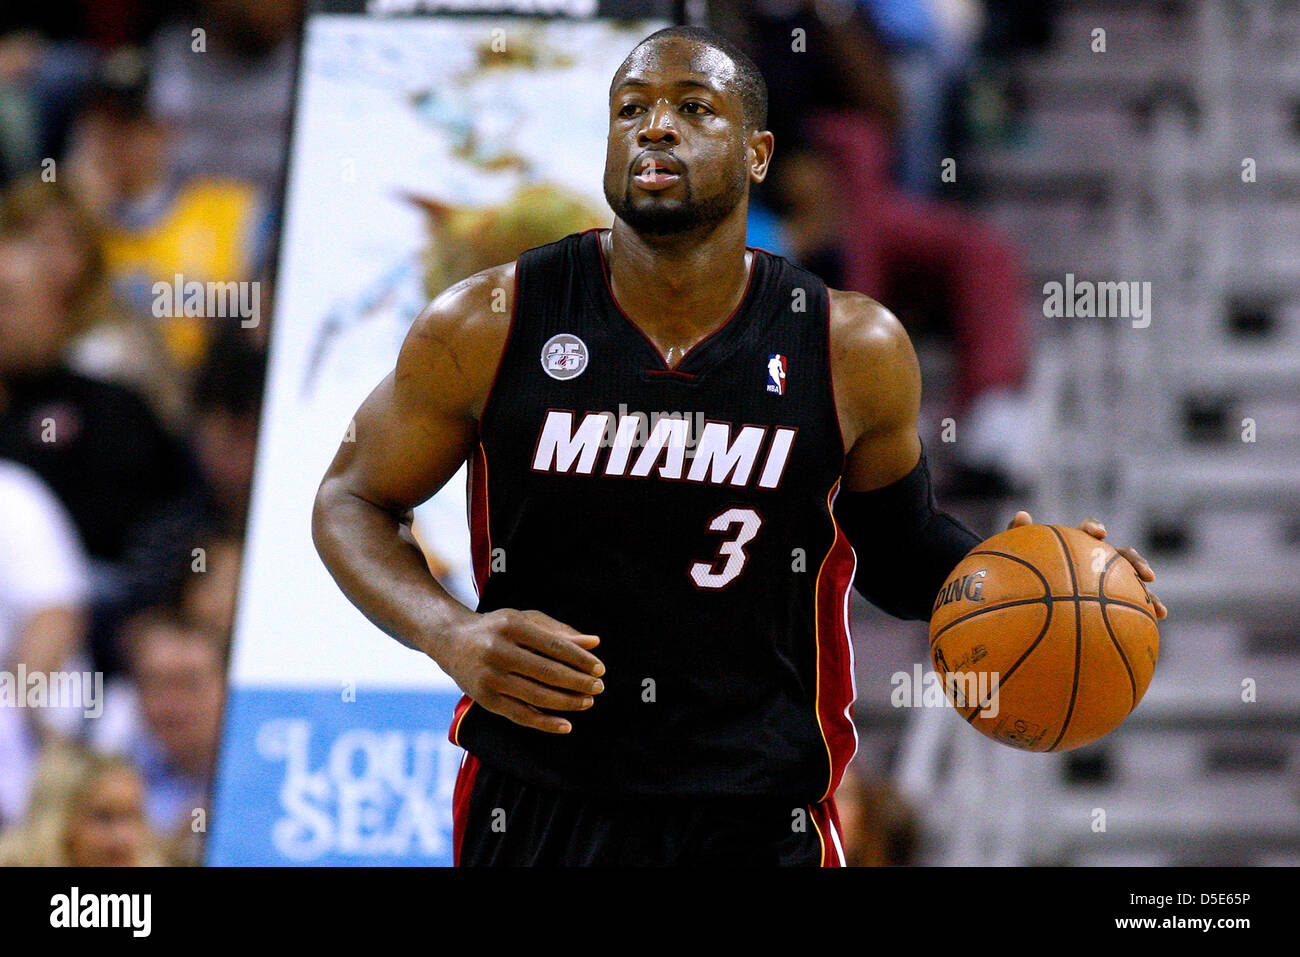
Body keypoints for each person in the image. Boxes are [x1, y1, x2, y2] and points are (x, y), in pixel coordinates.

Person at [311, 26, 1166, 867]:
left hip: (755, 815)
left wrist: (1043, 579)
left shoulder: (849, 345)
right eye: (630, 108)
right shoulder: (489, 321)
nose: (655, 126)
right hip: (539, 803)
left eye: (693, 107)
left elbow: (903, 550)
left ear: (759, 155)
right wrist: (446, 632)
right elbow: (350, 498)